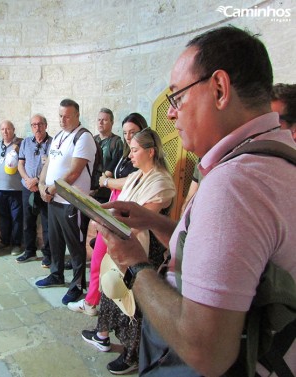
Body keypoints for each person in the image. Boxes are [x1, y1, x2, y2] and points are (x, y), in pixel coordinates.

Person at [98, 26, 296, 376]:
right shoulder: (280, 154)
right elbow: (223, 252)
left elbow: (206, 351)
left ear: (219, 89)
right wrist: (154, 221)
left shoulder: (234, 184)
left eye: (177, 97)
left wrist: (135, 264)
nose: (171, 113)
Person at [81, 128, 175, 375]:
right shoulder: (137, 176)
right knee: (113, 290)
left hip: (146, 251)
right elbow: (117, 191)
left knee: (136, 305)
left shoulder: (161, 182)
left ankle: (132, 354)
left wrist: (105, 218)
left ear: (150, 151)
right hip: (125, 241)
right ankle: (103, 335)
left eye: (134, 150)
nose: (130, 155)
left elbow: (141, 218)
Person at [68, 112, 148, 315]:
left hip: (125, 210)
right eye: (126, 133)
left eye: (133, 132)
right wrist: (108, 179)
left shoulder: (140, 156)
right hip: (114, 204)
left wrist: (106, 181)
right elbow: (115, 174)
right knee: (99, 259)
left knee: (107, 262)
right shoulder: (126, 153)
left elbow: (131, 180)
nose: (129, 137)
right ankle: (94, 302)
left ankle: (97, 305)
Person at [35, 98, 97, 305]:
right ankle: (56, 274)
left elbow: (74, 172)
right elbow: (49, 164)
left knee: (76, 245)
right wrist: (42, 184)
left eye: (67, 116)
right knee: (55, 241)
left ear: (77, 116)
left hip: (73, 201)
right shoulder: (59, 136)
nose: (62, 120)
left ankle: (78, 285)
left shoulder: (83, 137)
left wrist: (51, 189)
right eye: (60, 115)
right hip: (53, 199)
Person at [15, 114, 52, 266]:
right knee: (27, 221)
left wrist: (37, 180)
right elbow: (20, 164)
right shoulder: (25, 143)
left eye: (40, 124)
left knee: (47, 223)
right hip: (28, 188)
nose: (37, 128)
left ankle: (48, 254)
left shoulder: (53, 143)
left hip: (44, 188)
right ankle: (29, 251)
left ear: (46, 125)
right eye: (34, 125)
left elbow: (53, 166)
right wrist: (27, 180)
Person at [0, 120, 23, 256]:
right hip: (0, 188)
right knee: (3, 217)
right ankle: (4, 241)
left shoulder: (20, 143)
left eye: (8, 129)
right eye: (3, 129)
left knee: (16, 218)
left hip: (15, 189)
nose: (5, 131)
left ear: (13, 129)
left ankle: (16, 244)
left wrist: (18, 145)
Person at [93, 108, 123, 203]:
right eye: (99, 120)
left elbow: (116, 167)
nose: (101, 123)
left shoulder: (116, 142)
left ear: (112, 122)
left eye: (104, 120)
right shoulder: (93, 139)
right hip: (90, 191)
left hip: (105, 193)